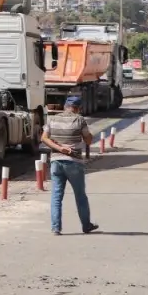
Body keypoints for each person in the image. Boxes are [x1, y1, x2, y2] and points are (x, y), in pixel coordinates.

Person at [41, 95, 99, 236]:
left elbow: (44, 138)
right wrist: (88, 134)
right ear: (78, 108)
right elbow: (88, 140)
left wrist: (59, 148)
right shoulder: (80, 120)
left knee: (56, 196)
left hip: (56, 162)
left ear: (65, 106)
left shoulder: (52, 119)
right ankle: (86, 225)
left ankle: (56, 228)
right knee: (80, 196)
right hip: (74, 162)